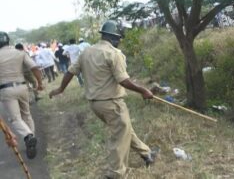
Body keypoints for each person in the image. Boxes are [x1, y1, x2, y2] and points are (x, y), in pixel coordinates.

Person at [49, 20, 159, 179]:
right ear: (115, 38)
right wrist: (143, 90)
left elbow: (70, 72)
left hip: (95, 105)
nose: (120, 41)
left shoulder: (86, 52)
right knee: (120, 138)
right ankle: (116, 174)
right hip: (112, 103)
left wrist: (60, 89)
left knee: (124, 130)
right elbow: (123, 80)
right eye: (119, 38)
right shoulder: (114, 54)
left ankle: (147, 154)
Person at [0, 31, 43, 159]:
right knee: (27, 115)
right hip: (22, 87)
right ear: (8, 41)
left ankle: (28, 136)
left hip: (6, 90)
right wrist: (39, 83)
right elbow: (34, 67)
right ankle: (31, 140)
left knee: (15, 119)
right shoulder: (20, 53)